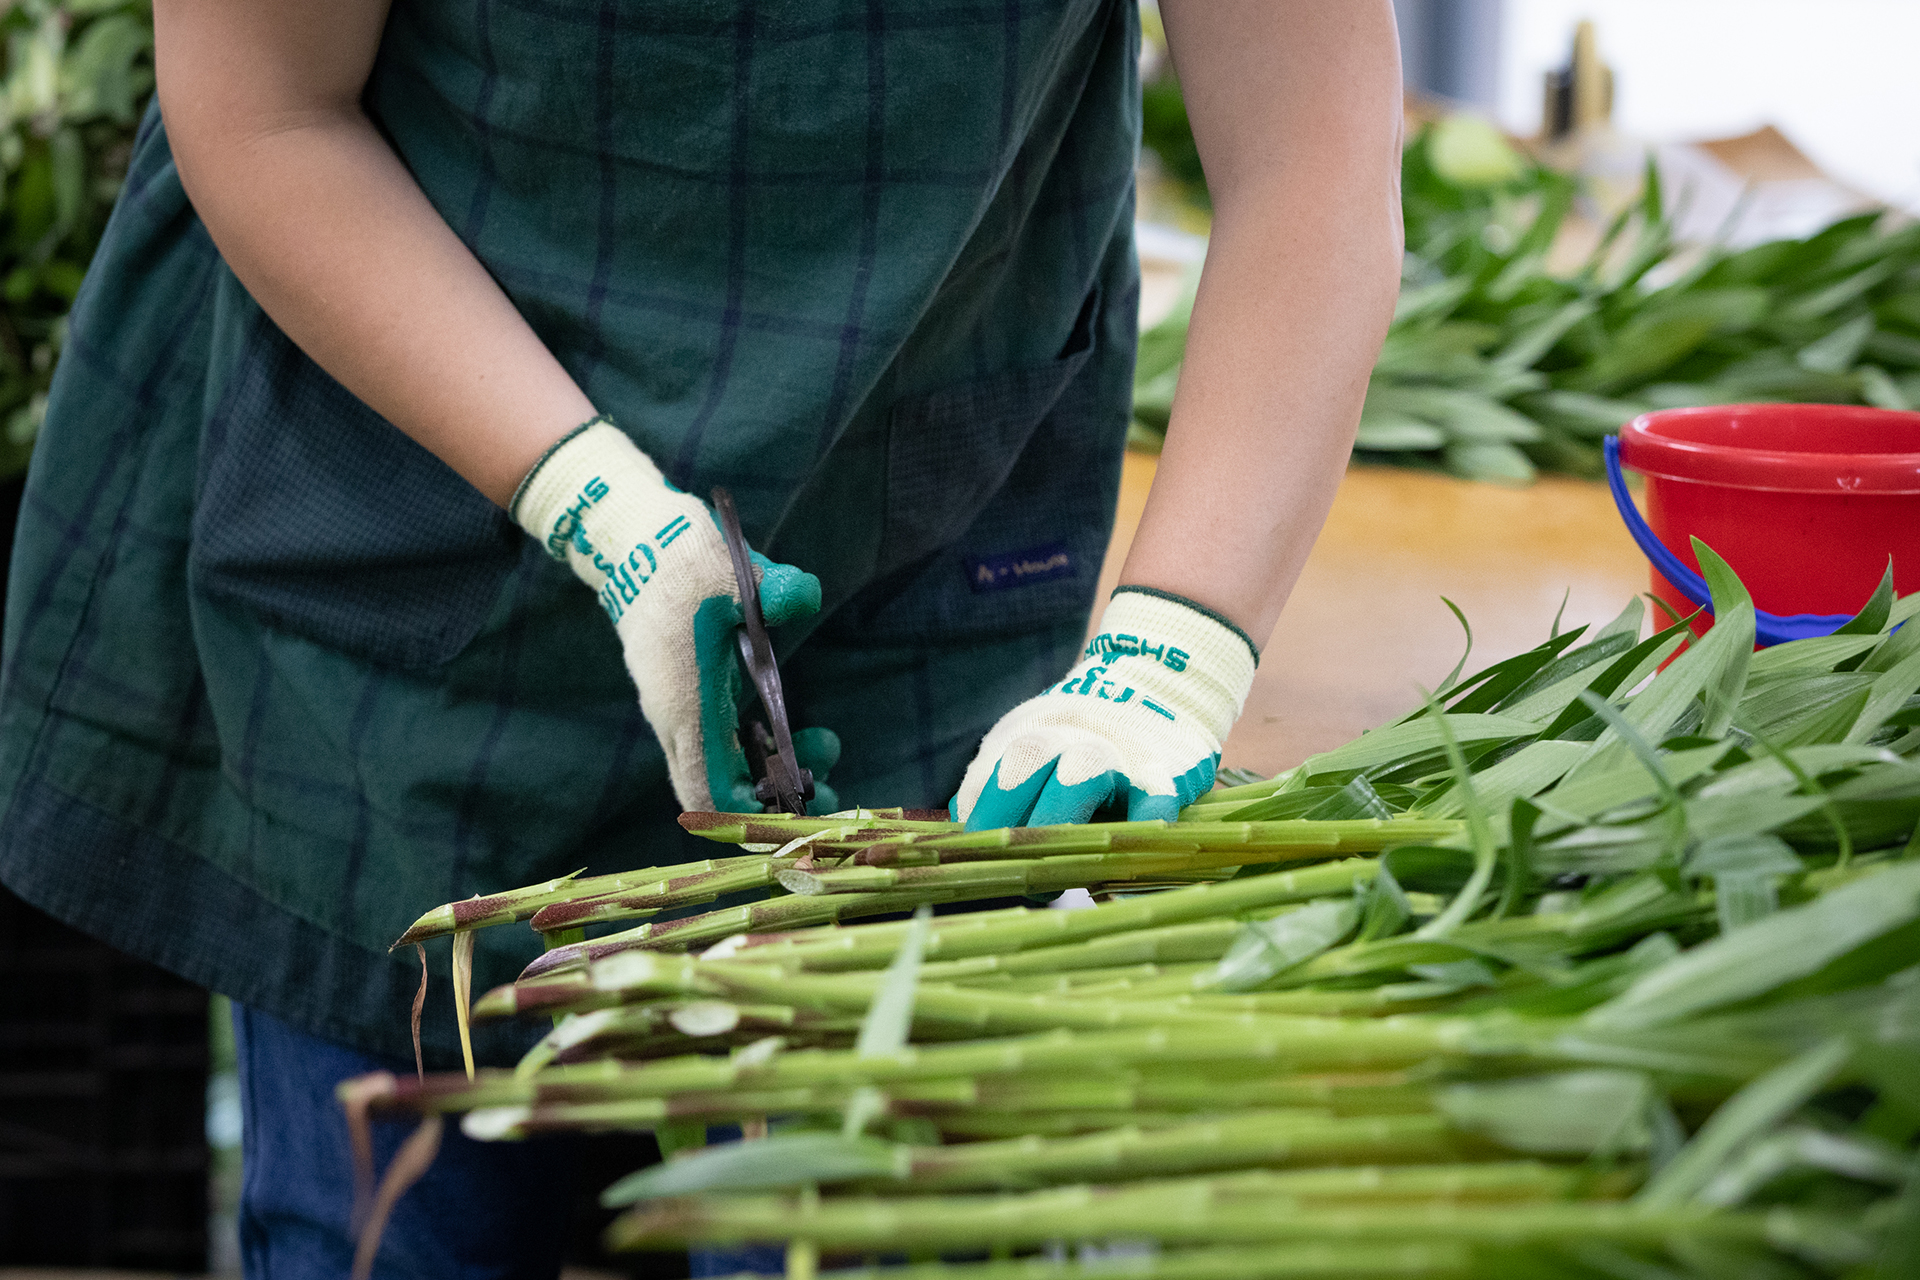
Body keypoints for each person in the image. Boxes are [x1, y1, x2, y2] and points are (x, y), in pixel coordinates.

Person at [0, 0, 1403, 1274]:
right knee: (409, 1228)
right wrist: (597, 507)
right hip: (416, 596)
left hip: (918, 576)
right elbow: (266, 110)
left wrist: (1173, 648)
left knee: (843, 1225)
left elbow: (1311, 162)